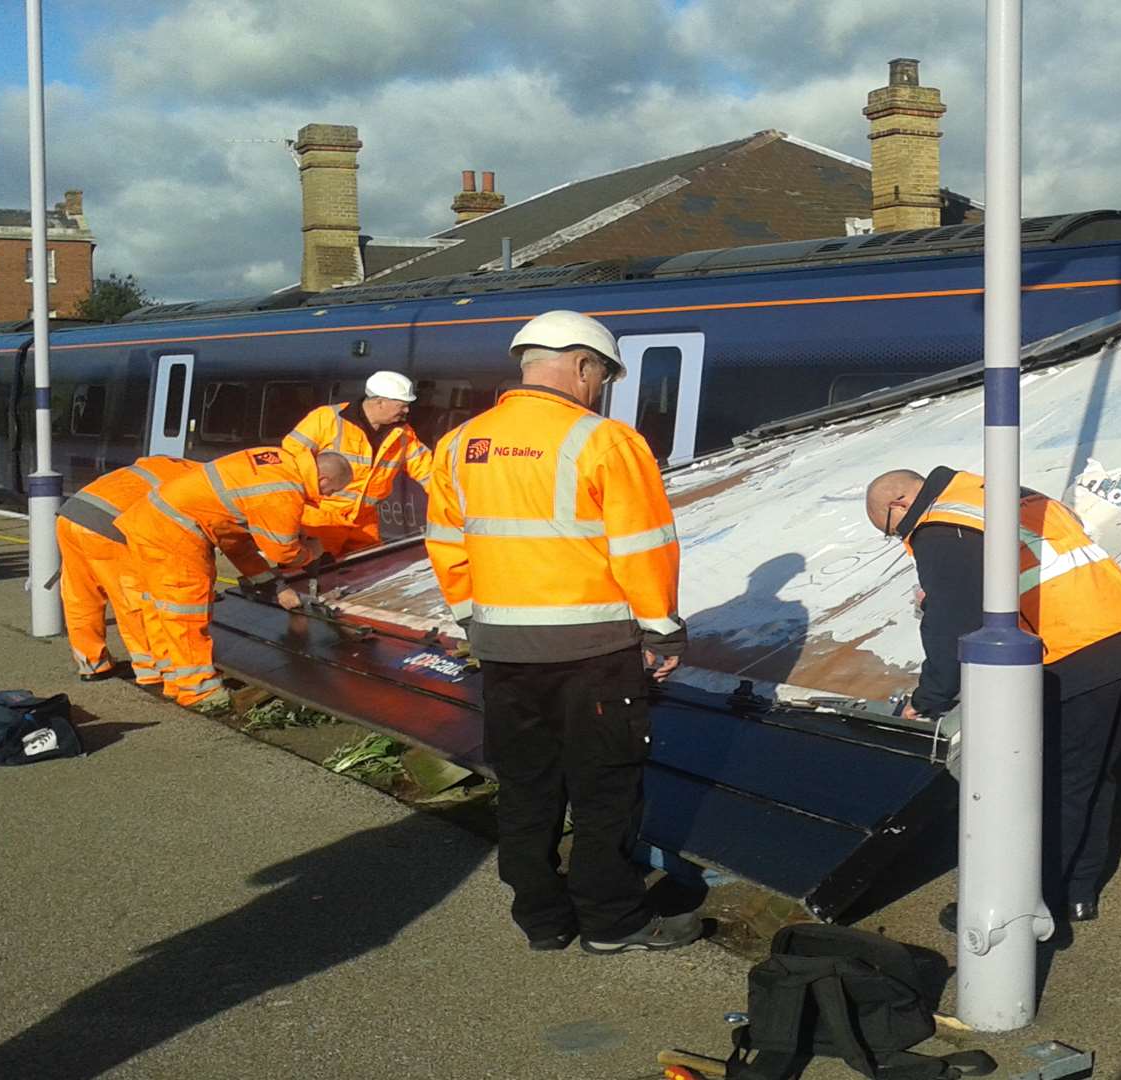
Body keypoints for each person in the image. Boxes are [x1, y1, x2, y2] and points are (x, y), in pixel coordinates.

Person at [424, 309, 698, 956]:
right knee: (604, 788)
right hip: (595, 657)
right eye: (599, 374)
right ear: (580, 365)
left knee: (525, 786)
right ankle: (612, 921)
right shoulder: (605, 442)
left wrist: (478, 623)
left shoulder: (460, 445)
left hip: (504, 656)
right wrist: (661, 633)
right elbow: (644, 549)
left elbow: (446, 549)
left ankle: (542, 918)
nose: (599, 386)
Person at [865, 466, 1121, 925]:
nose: (902, 537)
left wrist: (929, 699)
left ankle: (1025, 907)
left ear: (898, 504)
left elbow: (952, 622)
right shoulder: (998, 492)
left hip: (1074, 648)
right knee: (1089, 775)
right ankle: (1077, 893)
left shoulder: (942, 525)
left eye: (893, 531)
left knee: (1050, 784)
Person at [116, 448, 350, 712]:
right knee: (187, 610)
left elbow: (235, 539)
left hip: (152, 523)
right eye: (333, 491)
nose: (329, 497)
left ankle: (174, 680)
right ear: (325, 480)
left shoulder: (278, 462)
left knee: (165, 607)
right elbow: (282, 550)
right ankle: (198, 692)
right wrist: (311, 553)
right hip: (175, 534)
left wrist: (276, 587)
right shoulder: (284, 491)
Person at [53, 456, 198, 684]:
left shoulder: (165, 464)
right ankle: (152, 669)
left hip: (71, 515)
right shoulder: (195, 483)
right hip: (110, 527)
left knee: (81, 596)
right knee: (134, 599)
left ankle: (92, 664)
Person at [283, 371, 433, 557]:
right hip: (319, 519)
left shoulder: (403, 434)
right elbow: (287, 465)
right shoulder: (326, 419)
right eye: (402, 406)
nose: (406, 411)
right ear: (380, 402)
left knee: (368, 574)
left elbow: (429, 472)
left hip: (364, 523)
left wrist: (453, 500)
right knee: (306, 573)